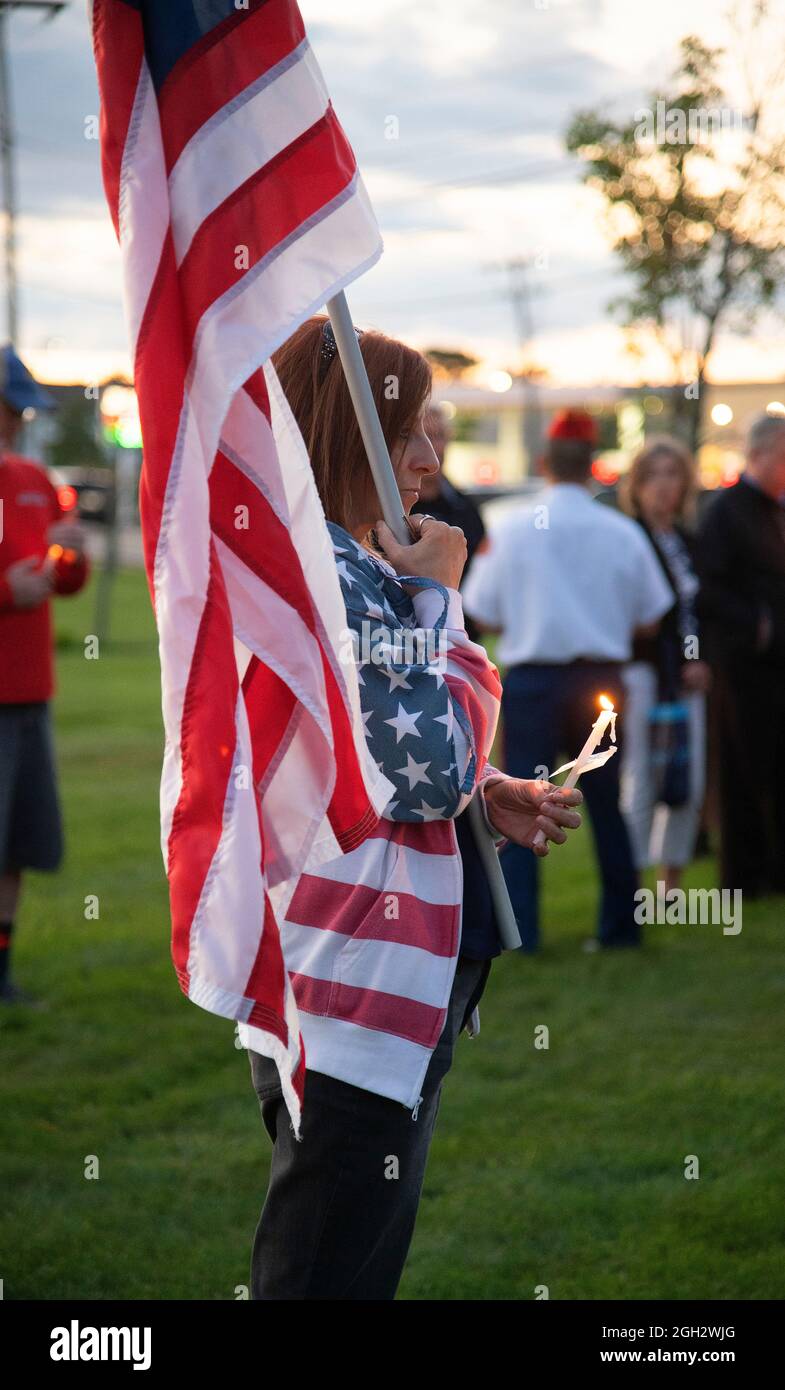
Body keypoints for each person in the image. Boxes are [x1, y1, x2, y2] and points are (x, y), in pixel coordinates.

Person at [242, 317, 583, 1300]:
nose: (429, 460)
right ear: (347, 438)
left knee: (345, 1254)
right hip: (349, 981)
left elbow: (393, 765)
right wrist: (440, 603)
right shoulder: (330, 577)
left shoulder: (340, 566)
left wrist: (484, 797)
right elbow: (422, 768)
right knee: (322, 1275)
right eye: (408, 436)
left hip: (358, 971)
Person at [462, 409, 674, 952]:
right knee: (608, 807)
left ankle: (521, 932)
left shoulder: (511, 528)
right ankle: (622, 929)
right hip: (602, 679)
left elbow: (480, 609)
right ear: (593, 466)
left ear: (543, 463)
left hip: (532, 682)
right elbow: (652, 614)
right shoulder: (621, 530)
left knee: (522, 802)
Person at [0, 346, 90, 1004]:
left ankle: (1, 978)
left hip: (30, 691)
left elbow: (59, 577)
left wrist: (71, 559)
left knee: (18, 843)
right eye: (12, 408)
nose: (18, 421)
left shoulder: (30, 476)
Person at [695, 412, 785, 896]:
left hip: (776, 666)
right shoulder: (727, 512)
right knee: (744, 770)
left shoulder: (775, 507)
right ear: (761, 454)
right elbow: (706, 589)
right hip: (744, 666)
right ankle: (745, 876)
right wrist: (760, 625)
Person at [617, 437, 711, 893]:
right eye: (652, 475)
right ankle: (632, 882)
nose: (663, 486)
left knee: (686, 775)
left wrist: (699, 659)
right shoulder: (627, 538)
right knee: (641, 775)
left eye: (673, 474)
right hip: (643, 672)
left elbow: (701, 614)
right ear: (636, 484)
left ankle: (669, 884)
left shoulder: (691, 542)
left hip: (688, 675)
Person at [410, 403, 487, 641]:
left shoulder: (467, 509)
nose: (435, 446)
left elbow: (481, 573)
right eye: (426, 436)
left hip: (460, 632)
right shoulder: (390, 508)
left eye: (439, 436)